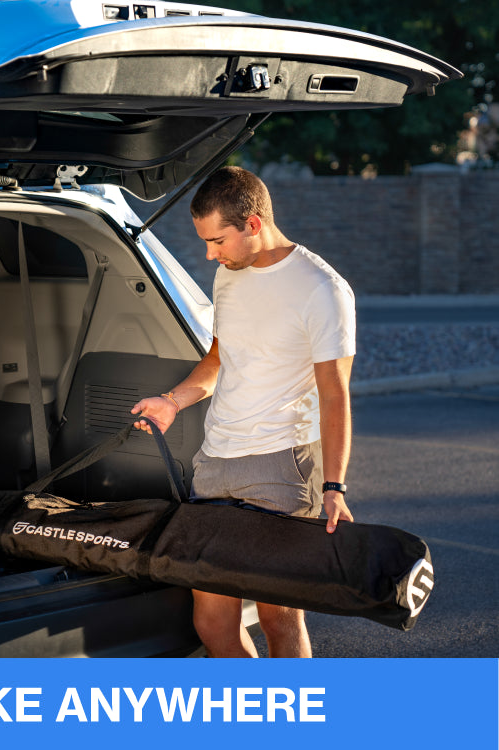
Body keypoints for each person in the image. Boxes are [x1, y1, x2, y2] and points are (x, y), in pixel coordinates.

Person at [130, 166, 356, 658]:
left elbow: (335, 393)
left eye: (217, 241)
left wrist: (334, 486)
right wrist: (172, 402)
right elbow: (219, 356)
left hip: (281, 465)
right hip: (217, 461)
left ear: (253, 224)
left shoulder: (322, 289)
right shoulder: (228, 274)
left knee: (279, 617)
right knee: (211, 622)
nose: (210, 254)